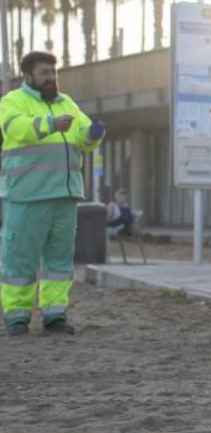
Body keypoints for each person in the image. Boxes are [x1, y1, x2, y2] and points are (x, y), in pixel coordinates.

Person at [0, 51, 105, 336]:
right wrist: (49, 125)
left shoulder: (66, 102)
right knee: (20, 260)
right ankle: (17, 317)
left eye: (53, 73)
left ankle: (55, 315)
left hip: (65, 197)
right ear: (29, 75)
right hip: (27, 197)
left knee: (59, 262)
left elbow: (82, 136)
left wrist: (93, 135)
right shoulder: (12, 102)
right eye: (45, 73)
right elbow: (16, 129)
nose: (51, 78)